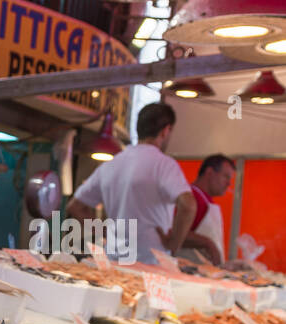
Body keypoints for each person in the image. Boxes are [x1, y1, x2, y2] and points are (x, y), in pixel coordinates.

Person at [65, 102, 196, 265]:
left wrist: (104, 231)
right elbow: (189, 205)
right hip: (150, 264)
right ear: (165, 131)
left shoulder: (111, 165)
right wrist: (174, 244)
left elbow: (74, 206)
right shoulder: (164, 165)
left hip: (112, 261)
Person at [179, 154, 235, 263]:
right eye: (226, 177)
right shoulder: (190, 196)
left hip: (206, 271)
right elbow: (173, 232)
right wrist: (208, 243)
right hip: (186, 270)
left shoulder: (207, 201)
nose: (229, 183)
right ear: (209, 172)